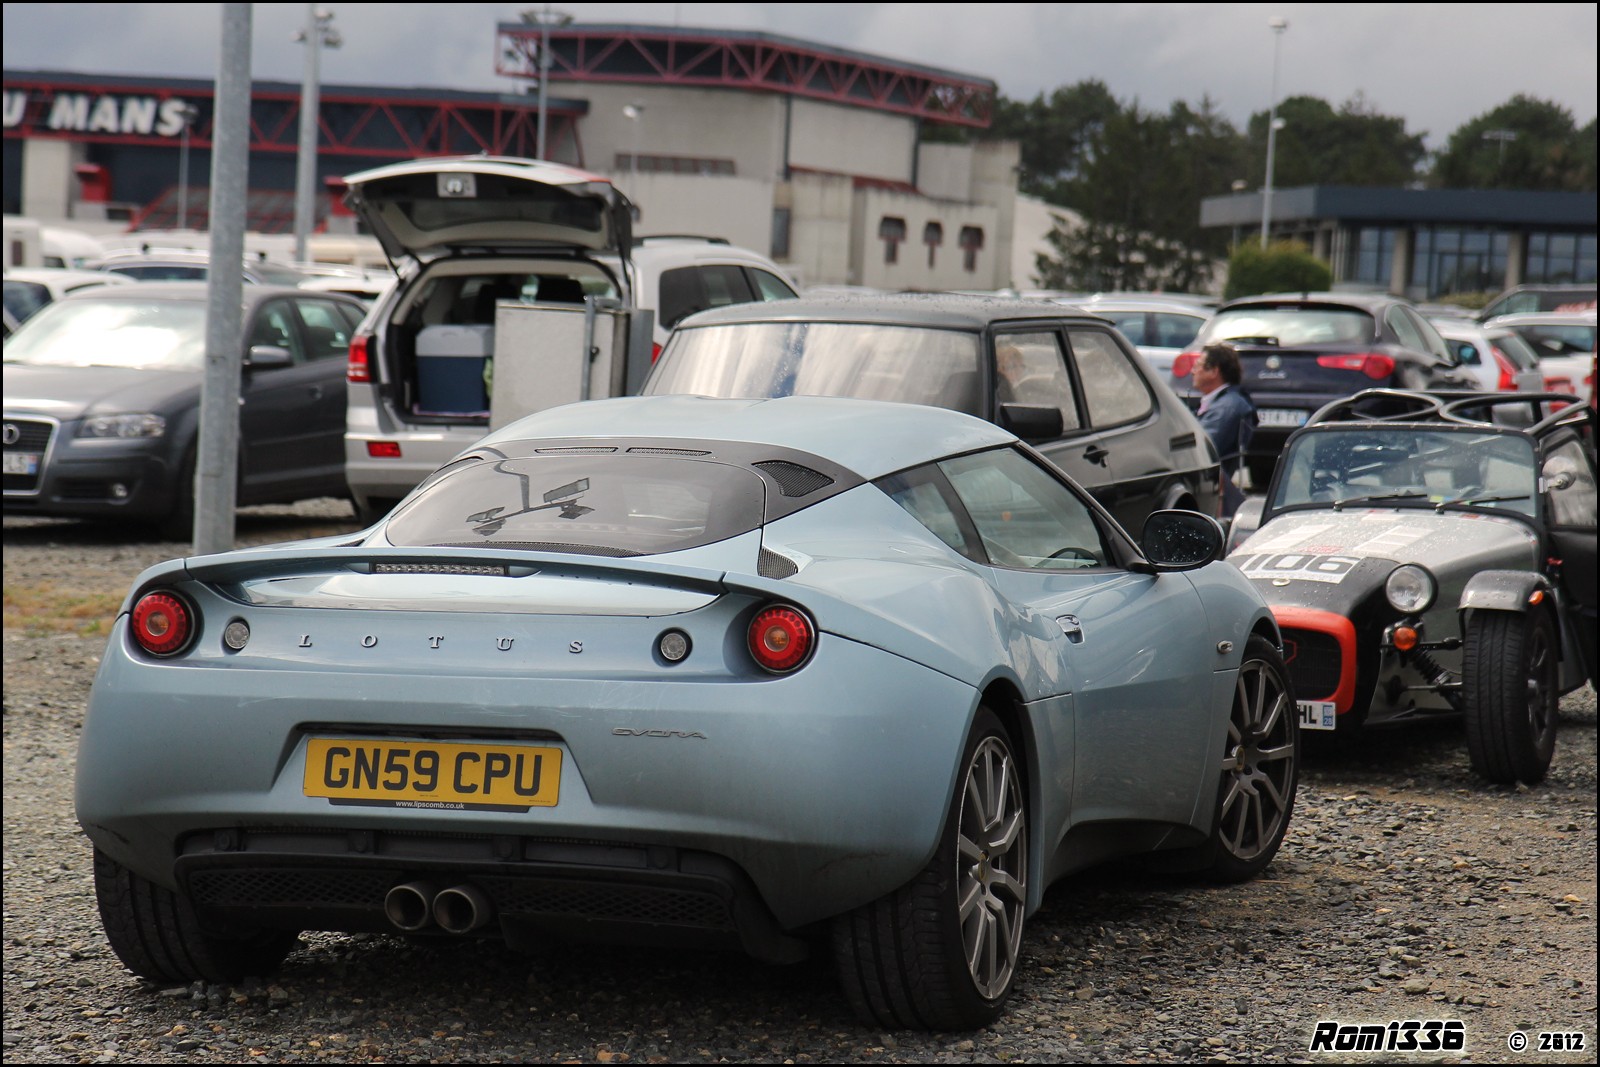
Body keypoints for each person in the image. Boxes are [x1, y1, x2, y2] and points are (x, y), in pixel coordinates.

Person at [1192, 342, 1256, 517]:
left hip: (1211, 486)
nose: (1193, 371)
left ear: (1214, 371)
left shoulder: (1228, 406)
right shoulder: (1223, 402)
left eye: (1198, 366)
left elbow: (1202, 449)